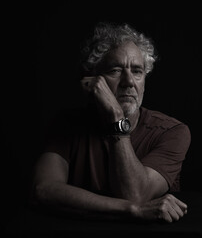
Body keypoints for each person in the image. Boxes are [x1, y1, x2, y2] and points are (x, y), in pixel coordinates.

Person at [31, 22, 191, 223]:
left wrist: (116, 119)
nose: (129, 82)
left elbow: (135, 194)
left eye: (137, 71)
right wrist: (133, 210)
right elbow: (44, 190)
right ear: (93, 79)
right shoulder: (67, 124)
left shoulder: (172, 132)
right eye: (115, 70)